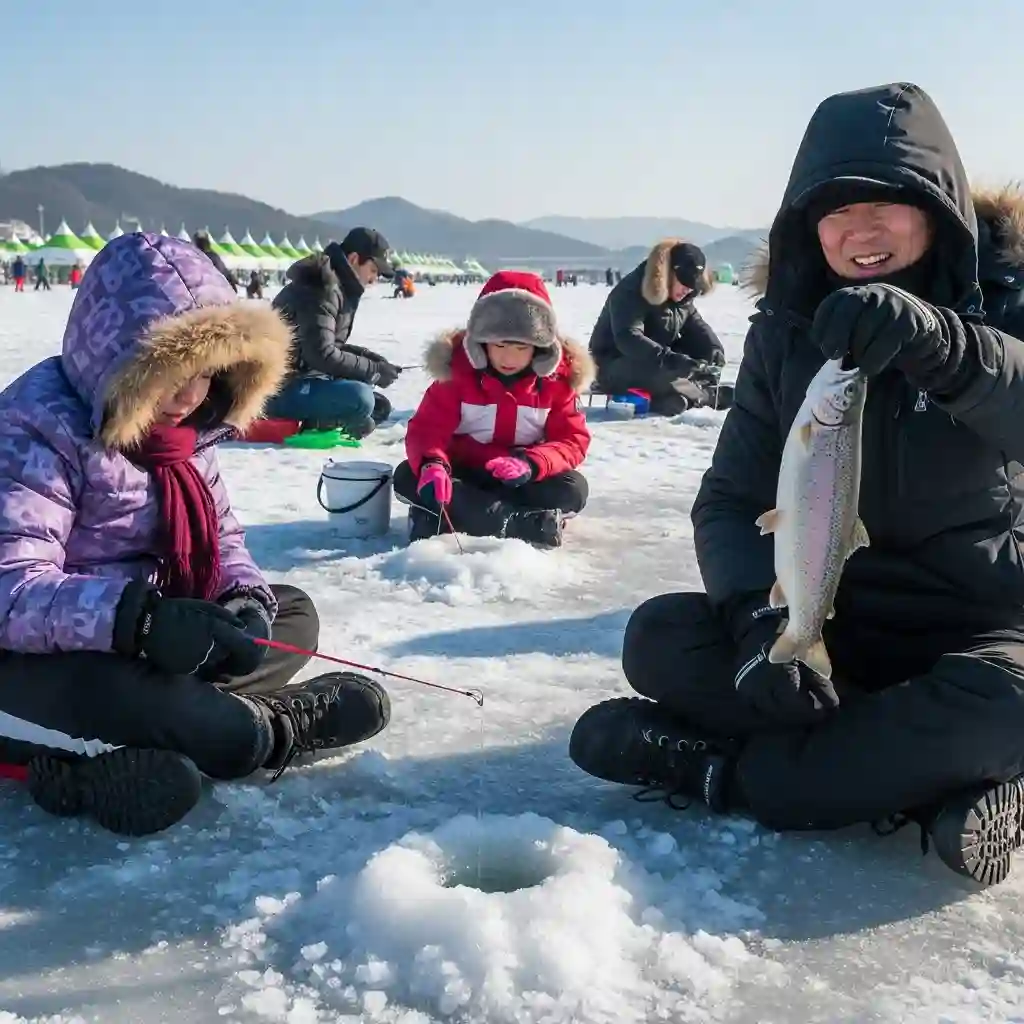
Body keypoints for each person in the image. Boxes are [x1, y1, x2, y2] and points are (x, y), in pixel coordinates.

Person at [568, 82, 1024, 886]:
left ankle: (722, 772)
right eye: (835, 210)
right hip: (829, 623)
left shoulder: (1007, 307)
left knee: (1008, 705)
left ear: (940, 209)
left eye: (889, 202)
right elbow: (731, 499)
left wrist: (950, 350)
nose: (860, 229)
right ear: (805, 225)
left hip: (976, 630)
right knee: (659, 637)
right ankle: (910, 782)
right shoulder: (786, 334)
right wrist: (756, 623)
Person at [0, 232, 391, 837]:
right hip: (45, 656)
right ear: (117, 362)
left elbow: (226, 539)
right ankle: (251, 728)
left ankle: (177, 730)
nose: (189, 396)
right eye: (168, 374)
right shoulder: (34, 430)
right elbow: (12, 591)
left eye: (207, 373)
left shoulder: (191, 432)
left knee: (291, 616)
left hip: (152, 634)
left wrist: (242, 604)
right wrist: (137, 622)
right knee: (181, 716)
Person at [394, 271, 593, 549]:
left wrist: (533, 463)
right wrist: (433, 465)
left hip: (522, 478)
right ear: (481, 342)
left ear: (539, 347)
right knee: (408, 476)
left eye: (521, 347)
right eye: (499, 345)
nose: (508, 358)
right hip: (464, 471)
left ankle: (459, 516)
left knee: (572, 490)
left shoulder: (556, 383)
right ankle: (522, 523)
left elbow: (572, 441)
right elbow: (428, 429)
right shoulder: (455, 374)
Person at [268, 227, 402, 438]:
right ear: (355, 259)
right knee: (361, 399)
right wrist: (373, 369)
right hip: (275, 388)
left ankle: (332, 418)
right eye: (374, 270)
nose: (374, 279)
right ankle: (316, 422)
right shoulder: (322, 287)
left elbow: (328, 345)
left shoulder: (340, 287)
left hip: (304, 378)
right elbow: (321, 354)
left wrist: (373, 361)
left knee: (377, 405)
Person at [589, 239, 728, 414]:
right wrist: (670, 359)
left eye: (692, 287)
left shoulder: (683, 298)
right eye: (683, 283)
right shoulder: (632, 291)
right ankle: (700, 394)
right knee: (667, 371)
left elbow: (697, 327)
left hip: (656, 357)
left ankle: (680, 397)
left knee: (696, 359)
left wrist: (713, 350)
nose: (687, 290)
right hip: (613, 363)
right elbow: (628, 337)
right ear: (669, 273)